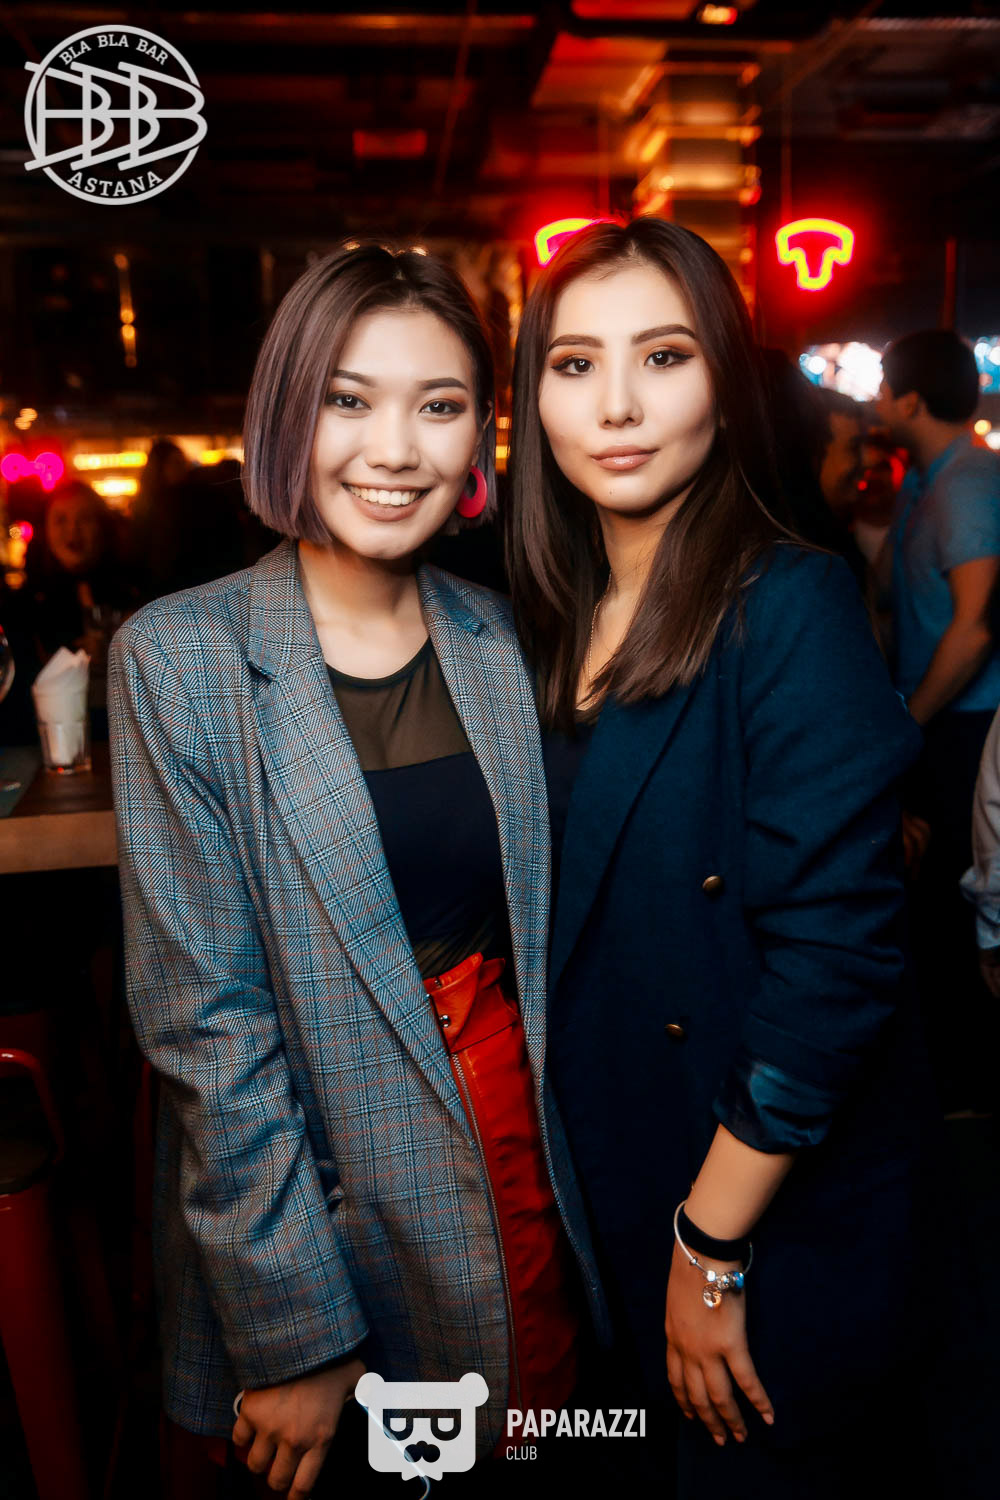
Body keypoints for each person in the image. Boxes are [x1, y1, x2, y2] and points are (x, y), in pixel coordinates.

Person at [108, 243, 605, 1500]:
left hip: (520, 1187)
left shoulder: (505, 639)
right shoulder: (182, 656)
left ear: (481, 435)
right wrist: (296, 1332)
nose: (394, 450)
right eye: (349, 399)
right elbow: (206, 1027)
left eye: (438, 405)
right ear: (289, 411)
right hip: (323, 1212)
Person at [505, 217, 936, 1497]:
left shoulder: (783, 600)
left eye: (664, 355)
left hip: (753, 1206)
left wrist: (710, 1250)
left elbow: (834, 967)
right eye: (574, 364)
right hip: (612, 1179)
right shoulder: (543, 621)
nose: (617, 405)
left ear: (725, 382)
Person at [875, 329, 1000, 1111]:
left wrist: (907, 723)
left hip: (968, 726)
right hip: (937, 721)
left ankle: (971, 1088)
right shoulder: (927, 480)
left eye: (884, 388)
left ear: (911, 401)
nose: (875, 401)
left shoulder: (969, 481)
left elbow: (975, 625)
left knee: (963, 907)